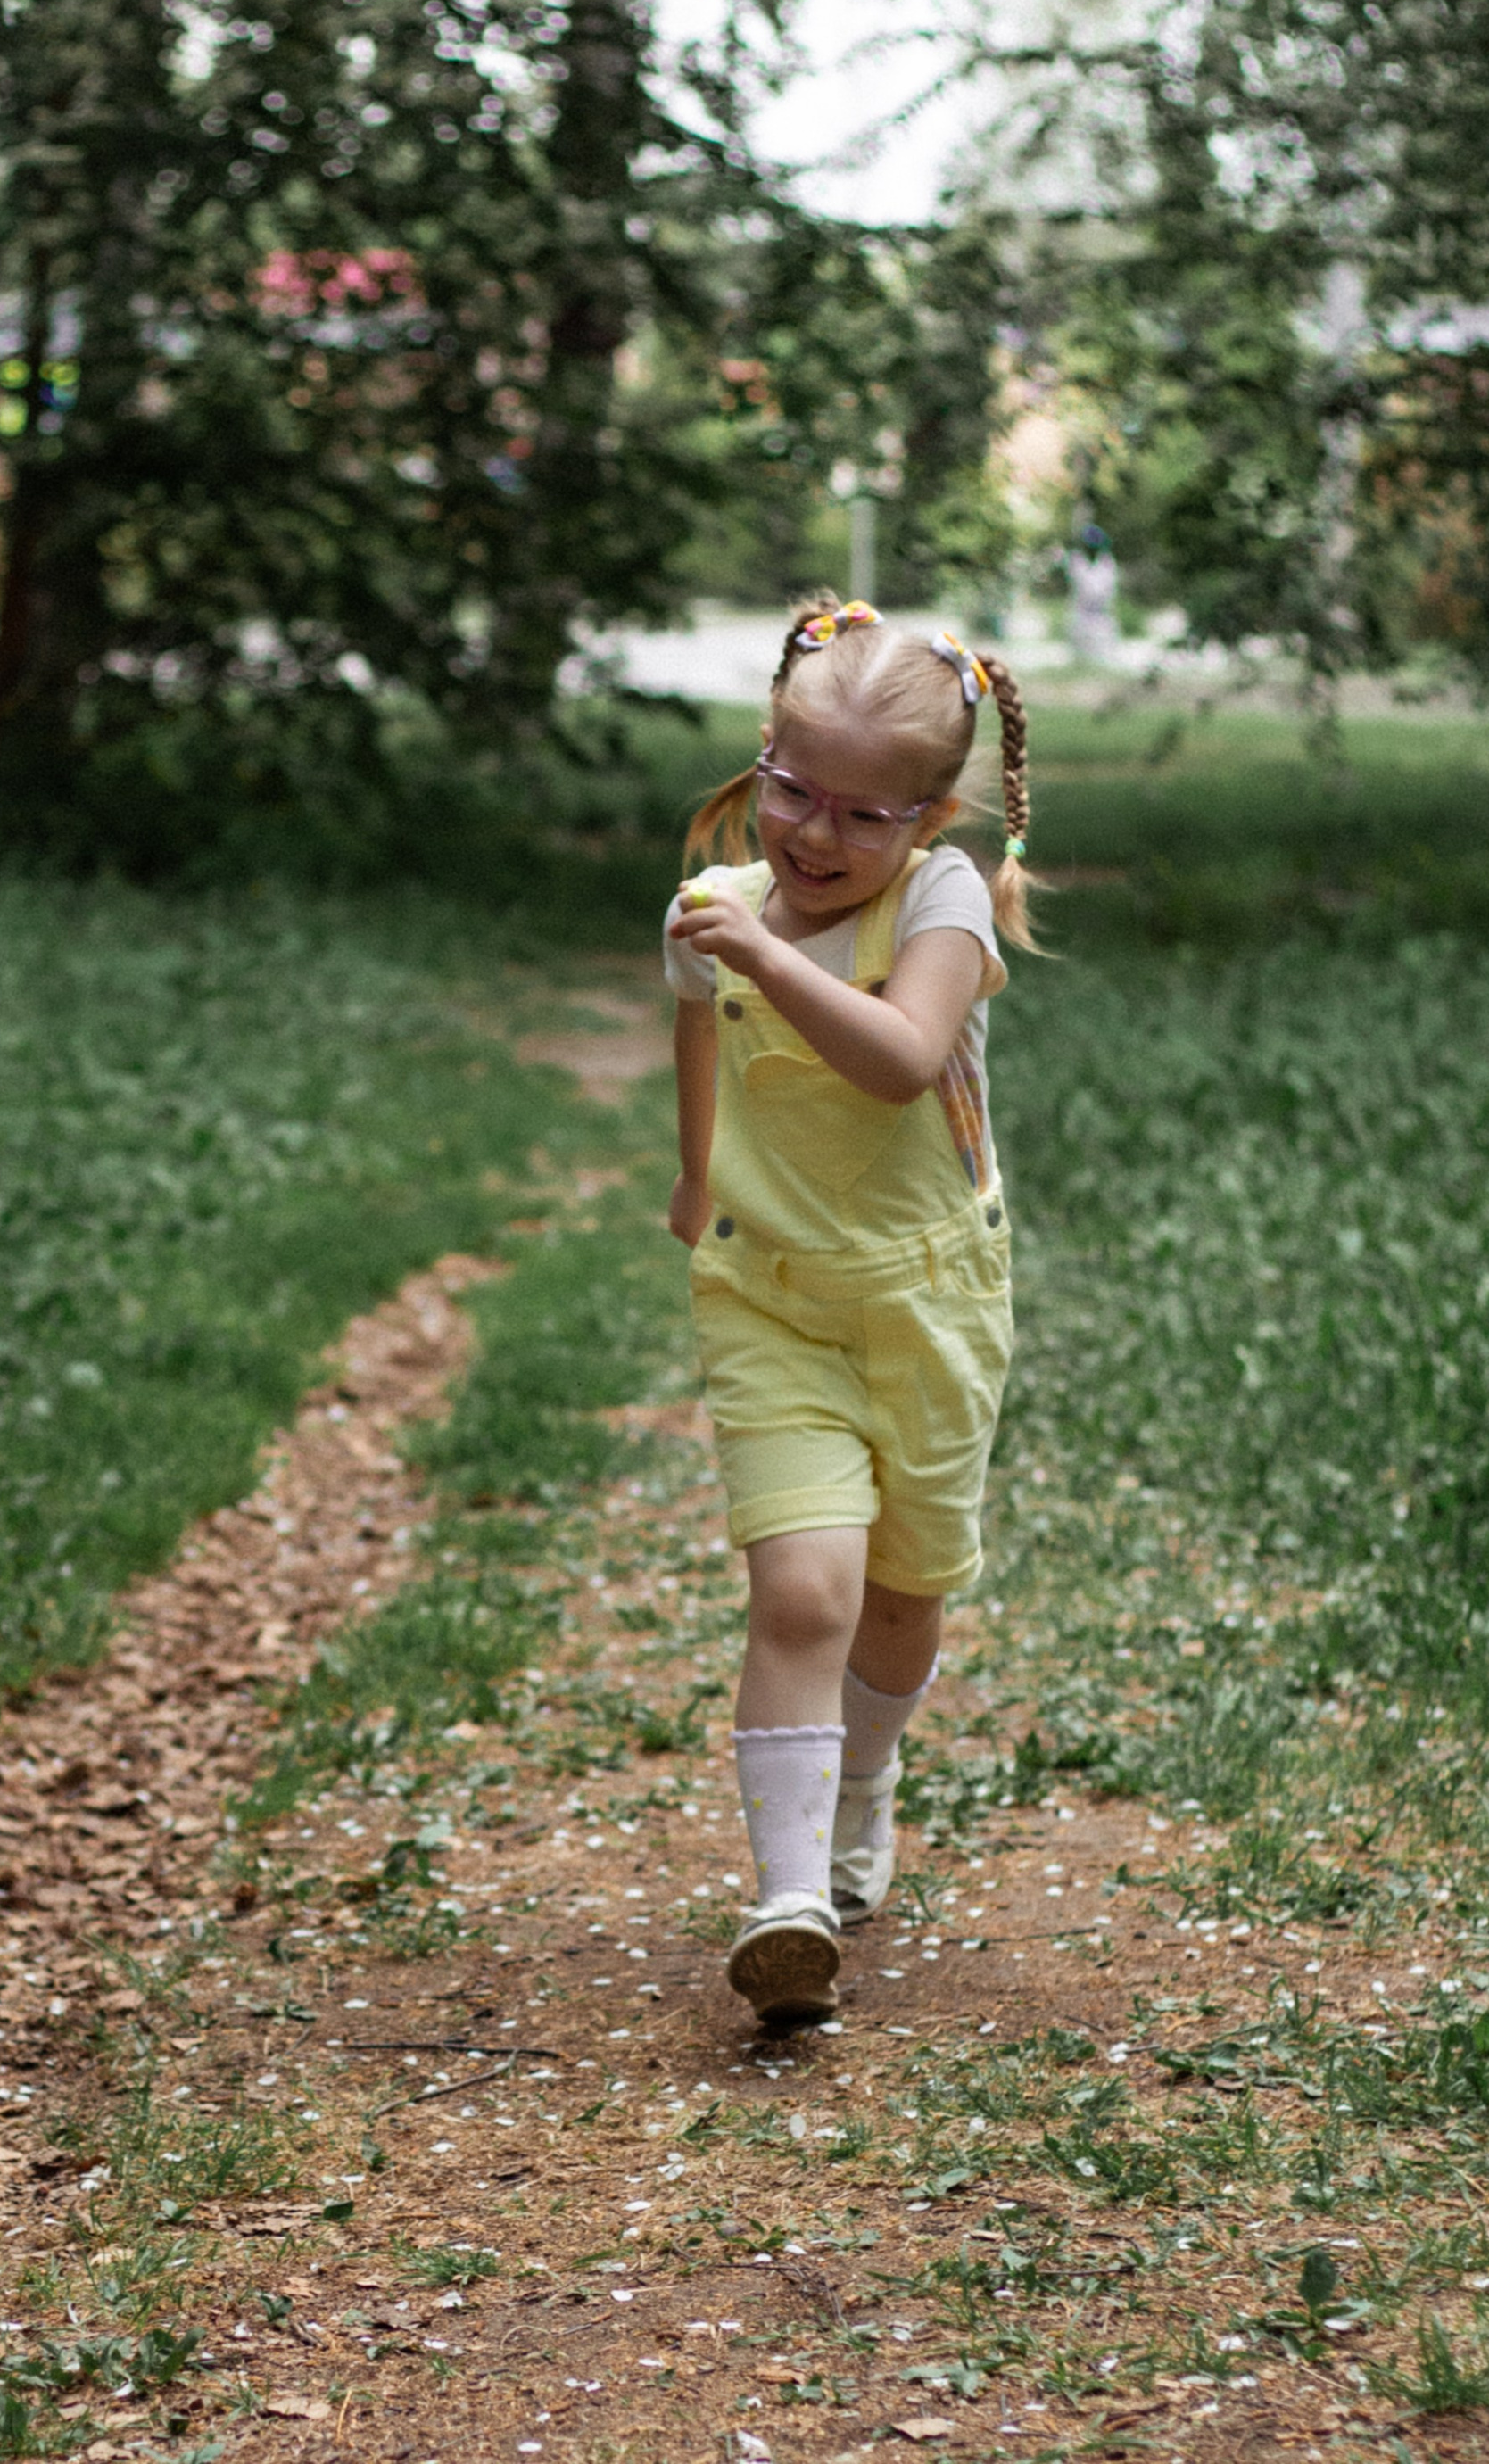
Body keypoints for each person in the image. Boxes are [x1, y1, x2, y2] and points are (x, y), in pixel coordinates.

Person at [664, 592, 1038, 2020]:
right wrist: (696, 1178)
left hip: (932, 1299)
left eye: (863, 816)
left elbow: (901, 1057)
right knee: (803, 1589)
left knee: (901, 1601)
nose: (815, 837)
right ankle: (789, 1900)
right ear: (762, 755)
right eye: (791, 792)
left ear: (929, 819)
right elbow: (699, 1028)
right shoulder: (714, 916)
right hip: (770, 1298)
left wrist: (763, 956)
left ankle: (866, 1779)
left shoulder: (938, 902)